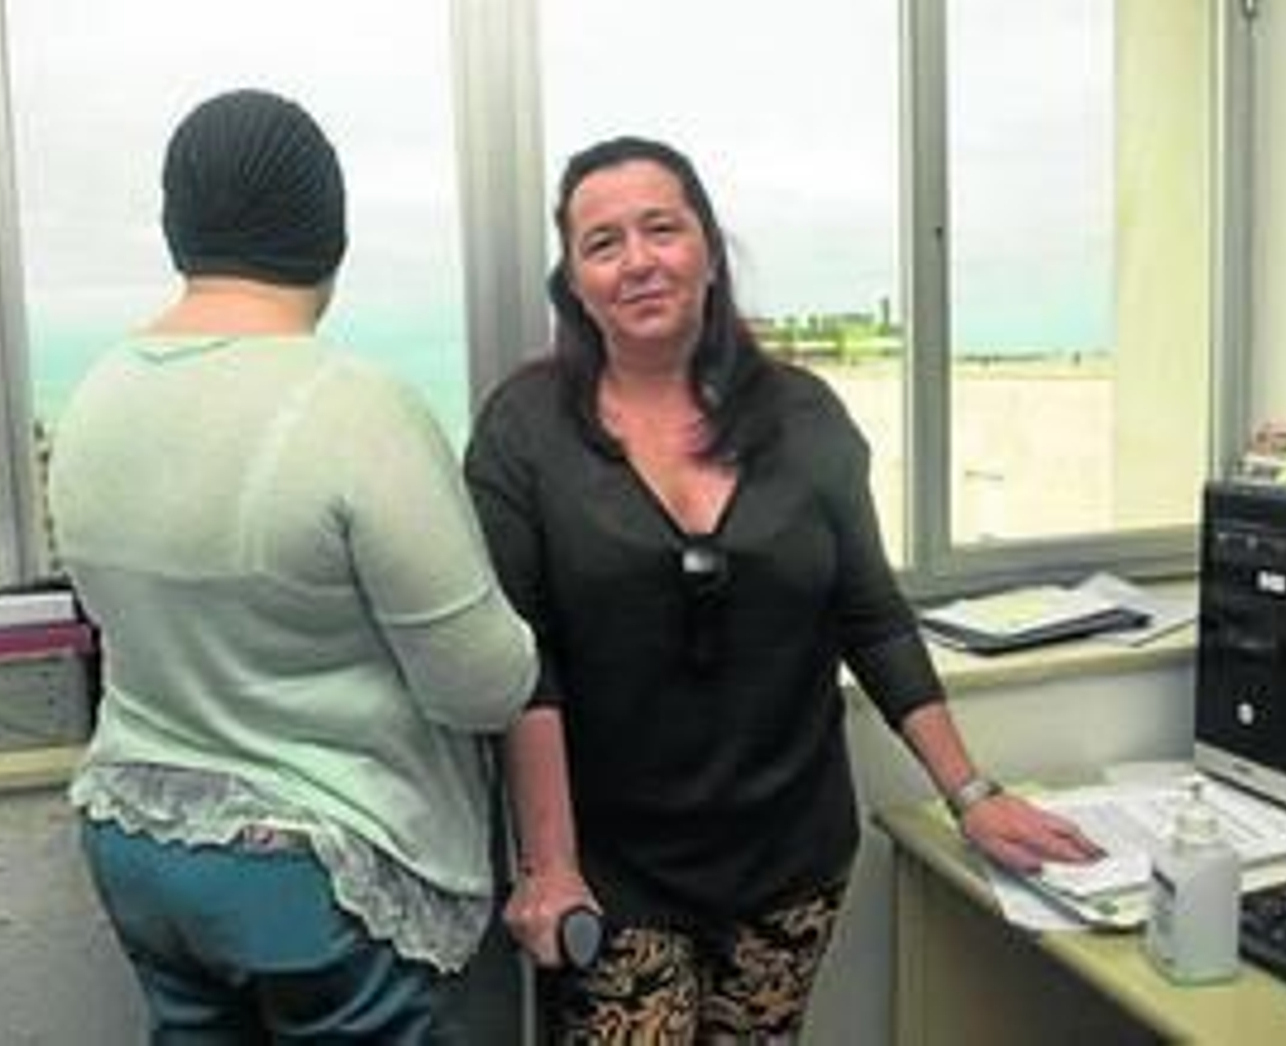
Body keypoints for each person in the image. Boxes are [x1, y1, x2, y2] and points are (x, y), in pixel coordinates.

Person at [464, 135, 1103, 1042]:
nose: (638, 260)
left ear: (710, 252)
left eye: (662, 229)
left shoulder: (805, 417)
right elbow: (522, 660)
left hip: (789, 856)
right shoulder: (523, 431)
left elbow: (871, 618)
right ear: (573, 280)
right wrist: (549, 863)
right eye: (602, 243)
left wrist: (972, 793)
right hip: (612, 866)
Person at [48, 88, 538, 1044]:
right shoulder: (355, 407)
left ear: (176, 225)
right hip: (310, 869)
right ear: (330, 233)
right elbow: (480, 686)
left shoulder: (93, 399)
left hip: (139, 835)